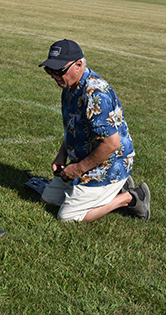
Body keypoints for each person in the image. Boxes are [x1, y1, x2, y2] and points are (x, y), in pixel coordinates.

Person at [38, 39, 150, 222]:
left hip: (110, 163)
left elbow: (112, 144)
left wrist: (77, 169)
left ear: (79, 65)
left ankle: (131, 197)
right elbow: (72, 128)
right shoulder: (69, 87)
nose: (54, 76)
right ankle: (112, 190)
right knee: (46, 201)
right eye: (49, 70)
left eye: (59, 71)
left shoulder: (95, 94)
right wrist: (61, 155)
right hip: (85, 157)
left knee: (67, 216)